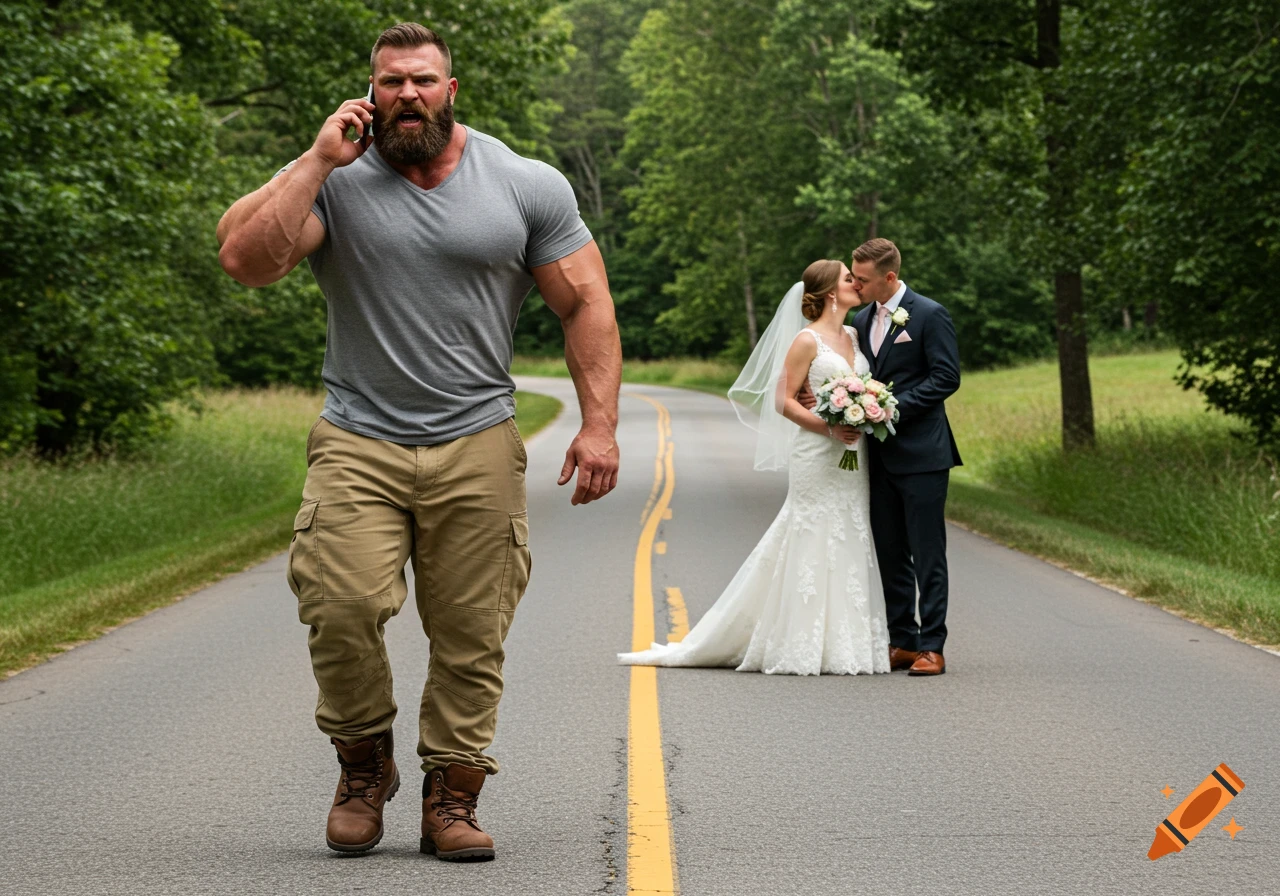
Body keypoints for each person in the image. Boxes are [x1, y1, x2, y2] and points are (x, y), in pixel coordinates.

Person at [216, 23, 622, 861]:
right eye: (392, 81)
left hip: (477, 436)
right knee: (341, 606)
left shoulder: (522, 183)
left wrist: (599, 424)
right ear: (370, 89)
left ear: (451, 90)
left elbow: (584, 303)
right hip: (357, 436)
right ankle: (364, 762)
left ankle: (453, 792)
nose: (408, 95)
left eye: (424, 81)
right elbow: (248, 261)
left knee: (472, 629)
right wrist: (318, 161)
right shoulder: (331, 176)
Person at [618, 260, 890, 675]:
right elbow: (781, 400)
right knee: (812, 531)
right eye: (848, 279)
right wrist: (828, 428)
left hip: (853, 458)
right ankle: (798, 640)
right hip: (817, 453)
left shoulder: (853, 335)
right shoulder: (806, 340)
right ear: (831, 292)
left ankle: (844, 643)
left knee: (850, 528)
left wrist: (864, 414)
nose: (856, 284)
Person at [845, 238, 961, 676]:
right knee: (891, 550)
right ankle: (904, 641)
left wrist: (893, 406)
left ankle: (933, 645)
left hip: (924, 454)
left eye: (863, 278)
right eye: (853, 277)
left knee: (927, 550)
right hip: (878, 456)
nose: (855, 284)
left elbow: (947, 377)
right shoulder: (859, 318)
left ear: (889, 278)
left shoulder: (929, 314)